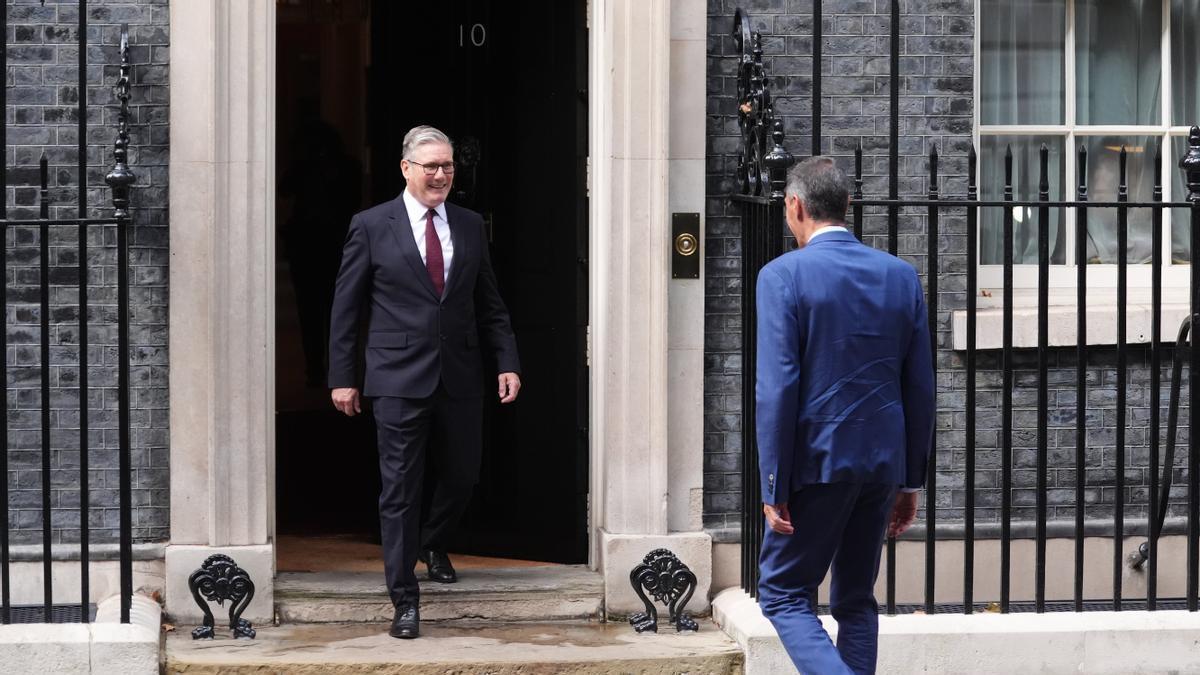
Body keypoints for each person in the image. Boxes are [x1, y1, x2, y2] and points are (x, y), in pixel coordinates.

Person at [327, 125, 522, 640]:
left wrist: (507, 360)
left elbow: (490, 302)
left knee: (463, 475)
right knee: (400, 489)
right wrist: (343, 377)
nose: (441, 175)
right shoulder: (371, 225)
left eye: (448, 166)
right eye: (431, 166)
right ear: (406, 168)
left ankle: (431, 541)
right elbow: (346, 310)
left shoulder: (469, 224)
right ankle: (404, 599)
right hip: (394, 378)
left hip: (460, 373)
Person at [754, 156, 934, 674]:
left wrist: (774, 483)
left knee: (784, 594)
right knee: (855, 598)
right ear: (848, 206)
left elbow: (778, 387)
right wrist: (909, 481)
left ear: (795, 206)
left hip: (816, 464)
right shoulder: (900, 276)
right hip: (881, 463)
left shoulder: (782, 276)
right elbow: (919, 386)